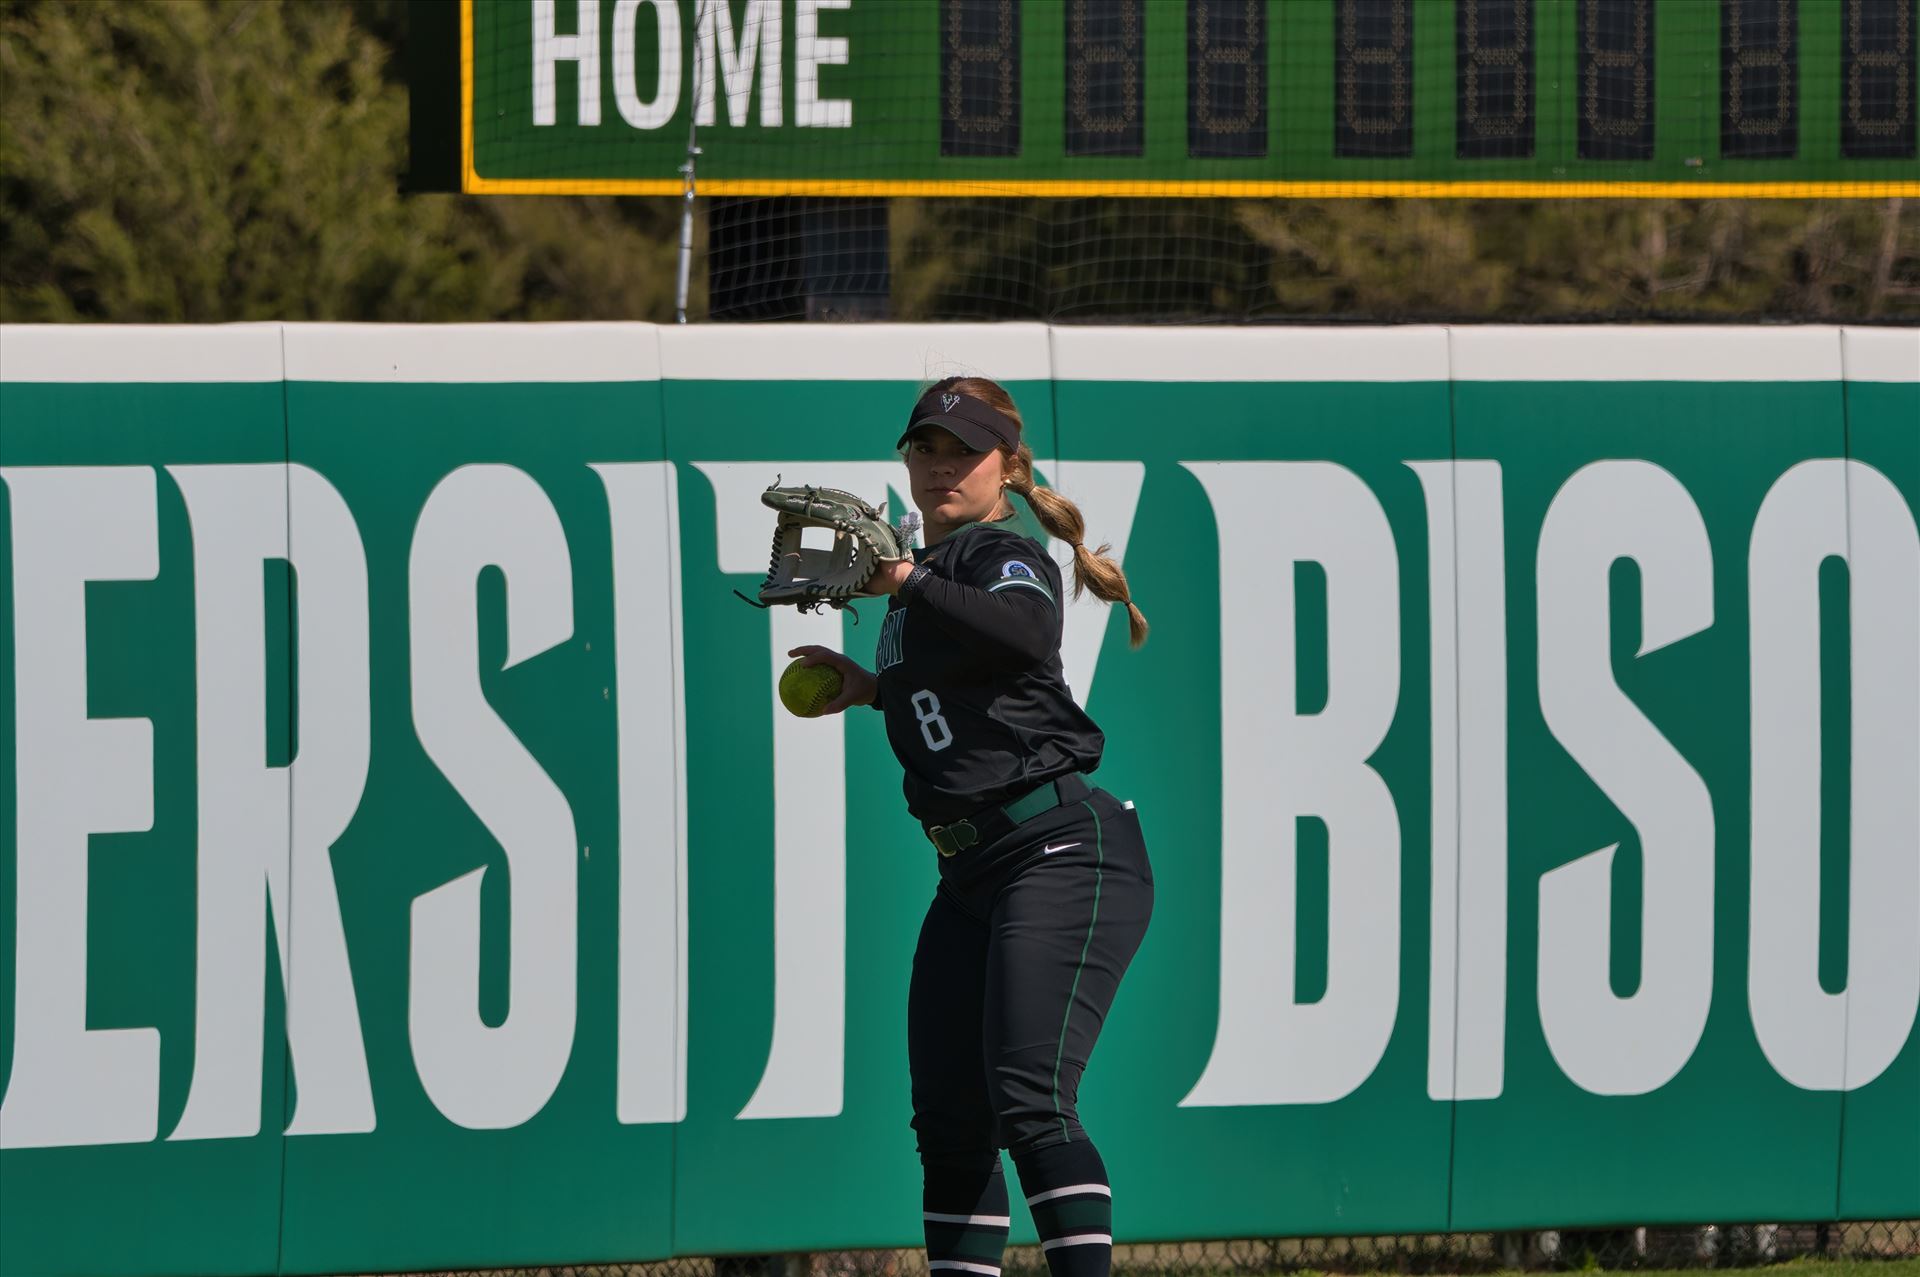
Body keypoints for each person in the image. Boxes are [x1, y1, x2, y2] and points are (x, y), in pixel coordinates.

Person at [790, 376, 1154, 1275]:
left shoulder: (1001, 552)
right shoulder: (935, 574)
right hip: (970, 876)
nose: (943, 464)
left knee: (1031, 1104)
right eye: (927, 448)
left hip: (1062, 852)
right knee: (952, 1122)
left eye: (965, 450)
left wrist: (905, 578)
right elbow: (971, 693)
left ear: (1009, 467)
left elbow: (1027, 630)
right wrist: (875, 688)